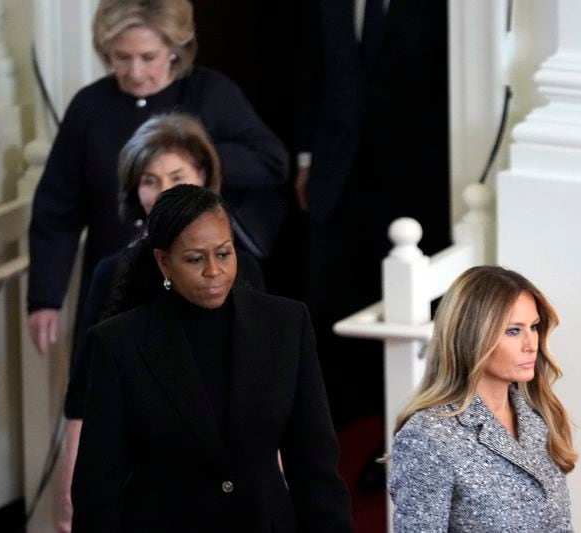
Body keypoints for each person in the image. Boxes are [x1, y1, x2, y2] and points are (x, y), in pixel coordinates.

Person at [71, 184, 353, 532]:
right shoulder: (118, 345)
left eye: (223, 254)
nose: (214, 271)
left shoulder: (286, 325)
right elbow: (98, 490)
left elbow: (315, 466)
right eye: (195, 259)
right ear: (164, 262)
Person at [27, 0, 288, 358]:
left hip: (200, 291)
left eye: (148, 57)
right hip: (115, 289)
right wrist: (45, 297)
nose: (134, 72)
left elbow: (272, 162)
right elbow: (57, 210)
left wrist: (197, 160)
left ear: (175, 51)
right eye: (121, 57)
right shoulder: (90, 107)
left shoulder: (210, 93)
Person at [56, 112, 266, 531]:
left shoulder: (243, 270)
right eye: (150, 180)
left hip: (230, 470)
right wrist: (70, 481)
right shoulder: (109, 273)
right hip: (145, 477)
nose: (163, 191)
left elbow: (265, 383)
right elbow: (84, 390)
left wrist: (276, 473)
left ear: (204, 178)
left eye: (176, 176)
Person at [293, 0, 451, 432]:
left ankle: (401, 428)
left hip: (414, 176)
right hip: (337, 168)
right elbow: (312, 71)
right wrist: (306, 159)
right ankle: (332, 425)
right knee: (329, 298)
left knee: (407, 301)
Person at [388, 266, 578, 532]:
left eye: (533, 327)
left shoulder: (538, 416)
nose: (531, 344)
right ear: (472, 336)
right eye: (513, 331)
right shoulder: (428, 436)